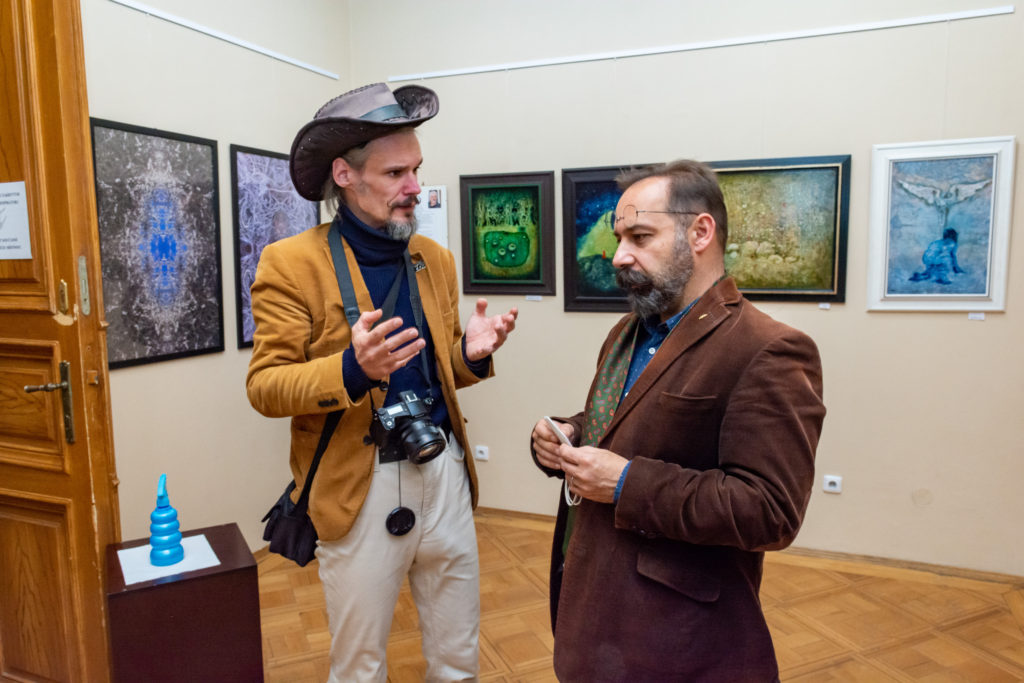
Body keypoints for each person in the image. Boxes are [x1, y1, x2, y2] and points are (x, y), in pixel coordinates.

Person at [247, 82, 518, 682]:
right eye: (396, 173)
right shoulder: (290, 264)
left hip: (442, 469)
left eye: (416, 169)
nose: (414, 187)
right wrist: (352, 368)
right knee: (360, 667)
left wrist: (469, 356)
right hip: (359, 484)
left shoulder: (433, 259)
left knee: (458, 658)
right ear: (344, 175)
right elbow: (266, 385)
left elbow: (437, 367)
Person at [531, 160, 825, 681]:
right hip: (593, 615)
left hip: (678, 640)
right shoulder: (629, 331)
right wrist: (570, 433)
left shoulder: (769, 349)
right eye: (619, 238)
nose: (619, 256)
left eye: (640, 237)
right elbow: (633, 420)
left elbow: (770, 510)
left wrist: (626, 483)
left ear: (700, 233)